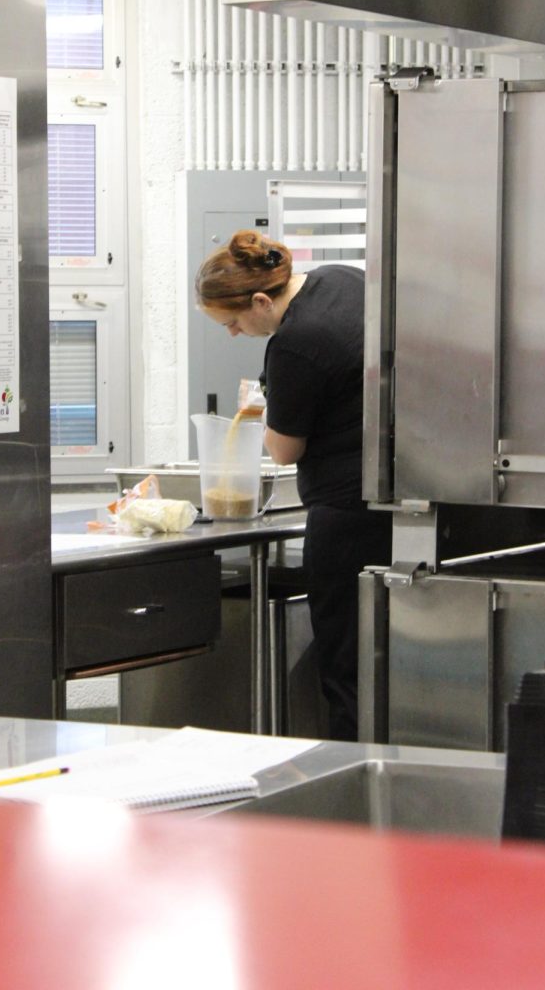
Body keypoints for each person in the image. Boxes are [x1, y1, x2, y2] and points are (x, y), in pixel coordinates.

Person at [195, 229, 392, 740]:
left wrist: (267, 406)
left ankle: (351, 791)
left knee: (346, 667)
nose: (234, 334)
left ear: (261, 300)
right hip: (397, 498)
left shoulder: (295, 344)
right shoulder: (341, 279)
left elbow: (285, 450)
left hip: (348, 515)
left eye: (234, 322)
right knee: (386, 661)